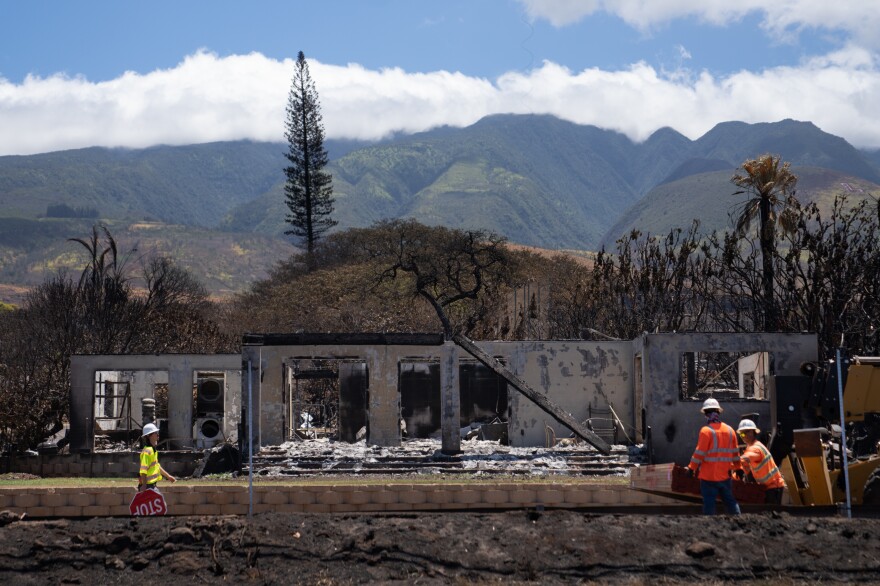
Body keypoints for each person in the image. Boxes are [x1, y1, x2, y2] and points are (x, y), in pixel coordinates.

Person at [686, 398, 742, 515]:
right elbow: (736, 454)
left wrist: (692, 468)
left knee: (709, 503)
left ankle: (709, 526)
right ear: (719, 412)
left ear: (706, 414)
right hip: (725, 476)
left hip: (708, 477)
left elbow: (699, 453)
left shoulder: (706, 431)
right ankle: (738, 520)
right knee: (730, 501)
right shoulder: (730, 430)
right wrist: (739, 468)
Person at [737, 418, 786, 505]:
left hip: (773, 487)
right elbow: (747, 465)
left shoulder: (755, 448)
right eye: (741, 433)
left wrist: (733, 464)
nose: (743, 436)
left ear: (753, 432)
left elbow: (745, 458)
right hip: (769, 487)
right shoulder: (752, 446)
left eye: (746, 432)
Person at [138, 422, 176, 492]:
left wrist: (168, 476)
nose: (158, 435)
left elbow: (157, 466)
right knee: (160, 502)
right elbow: (143, 470)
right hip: (148, 487)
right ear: (149, 436)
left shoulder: (153, 450)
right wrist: (144, 486)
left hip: (152, 486)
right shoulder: (147, 451)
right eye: (155, 433)